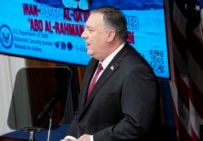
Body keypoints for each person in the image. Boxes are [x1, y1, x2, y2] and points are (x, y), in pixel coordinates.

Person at [61, 6, 161, 141]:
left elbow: (135, 125)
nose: (83, 35)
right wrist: (71, 137)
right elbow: (83, 112)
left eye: (90, 30)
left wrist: (93, 139)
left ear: (110, 35)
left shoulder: (136, 71)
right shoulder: (94, 62)